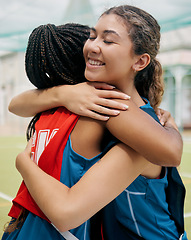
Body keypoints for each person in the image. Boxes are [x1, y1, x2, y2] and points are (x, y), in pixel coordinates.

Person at [4, 6, 186, 240]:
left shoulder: (120, 114)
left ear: (140, 62)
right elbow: (16, 104)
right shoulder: (88, 101)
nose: (92, 46)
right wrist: (63, 94)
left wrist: (23, 162)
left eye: (108, 40)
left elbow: (171, 152)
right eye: (92, 36)